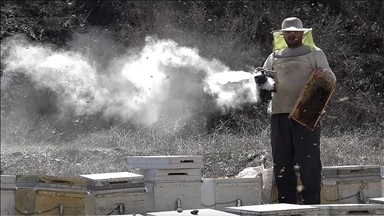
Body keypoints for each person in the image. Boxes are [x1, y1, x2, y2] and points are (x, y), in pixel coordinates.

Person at [255, 17, 336, 204]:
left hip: (306, 113)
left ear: (302, 33)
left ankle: (312, 204)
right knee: (282, 163)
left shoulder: (315, 53)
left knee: (309, 162)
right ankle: (286, 205)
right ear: (282, 34)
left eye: (295, 31)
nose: (291, 34)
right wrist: (261, 77)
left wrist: (323, 74)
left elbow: (330, 79)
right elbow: (266, 86)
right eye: (288, 32)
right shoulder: (274, 57)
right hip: (279, 114)